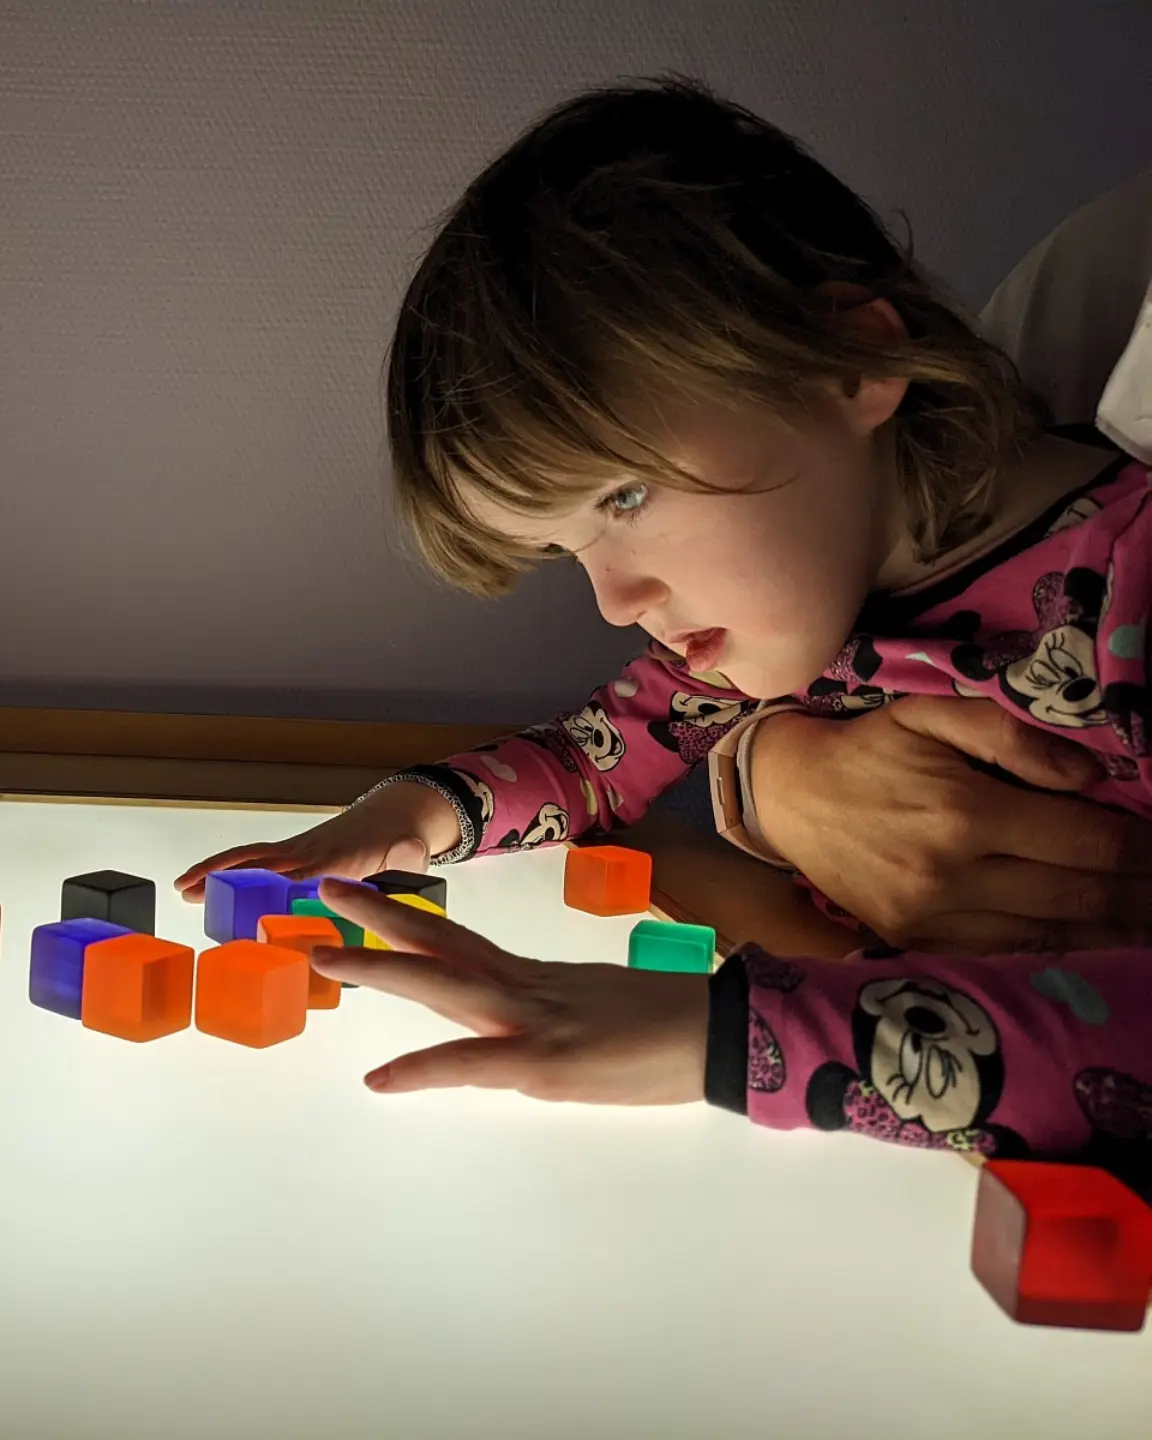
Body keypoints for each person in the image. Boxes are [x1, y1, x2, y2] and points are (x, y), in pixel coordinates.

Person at [175, 80, 1152, 1177]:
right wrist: (406, 819)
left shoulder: (1130, 582)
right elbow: (588, 762)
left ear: (850, 366)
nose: (615, 600)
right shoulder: (797, 599)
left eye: (627, 497)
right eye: (571, 550)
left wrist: (717, 1039)